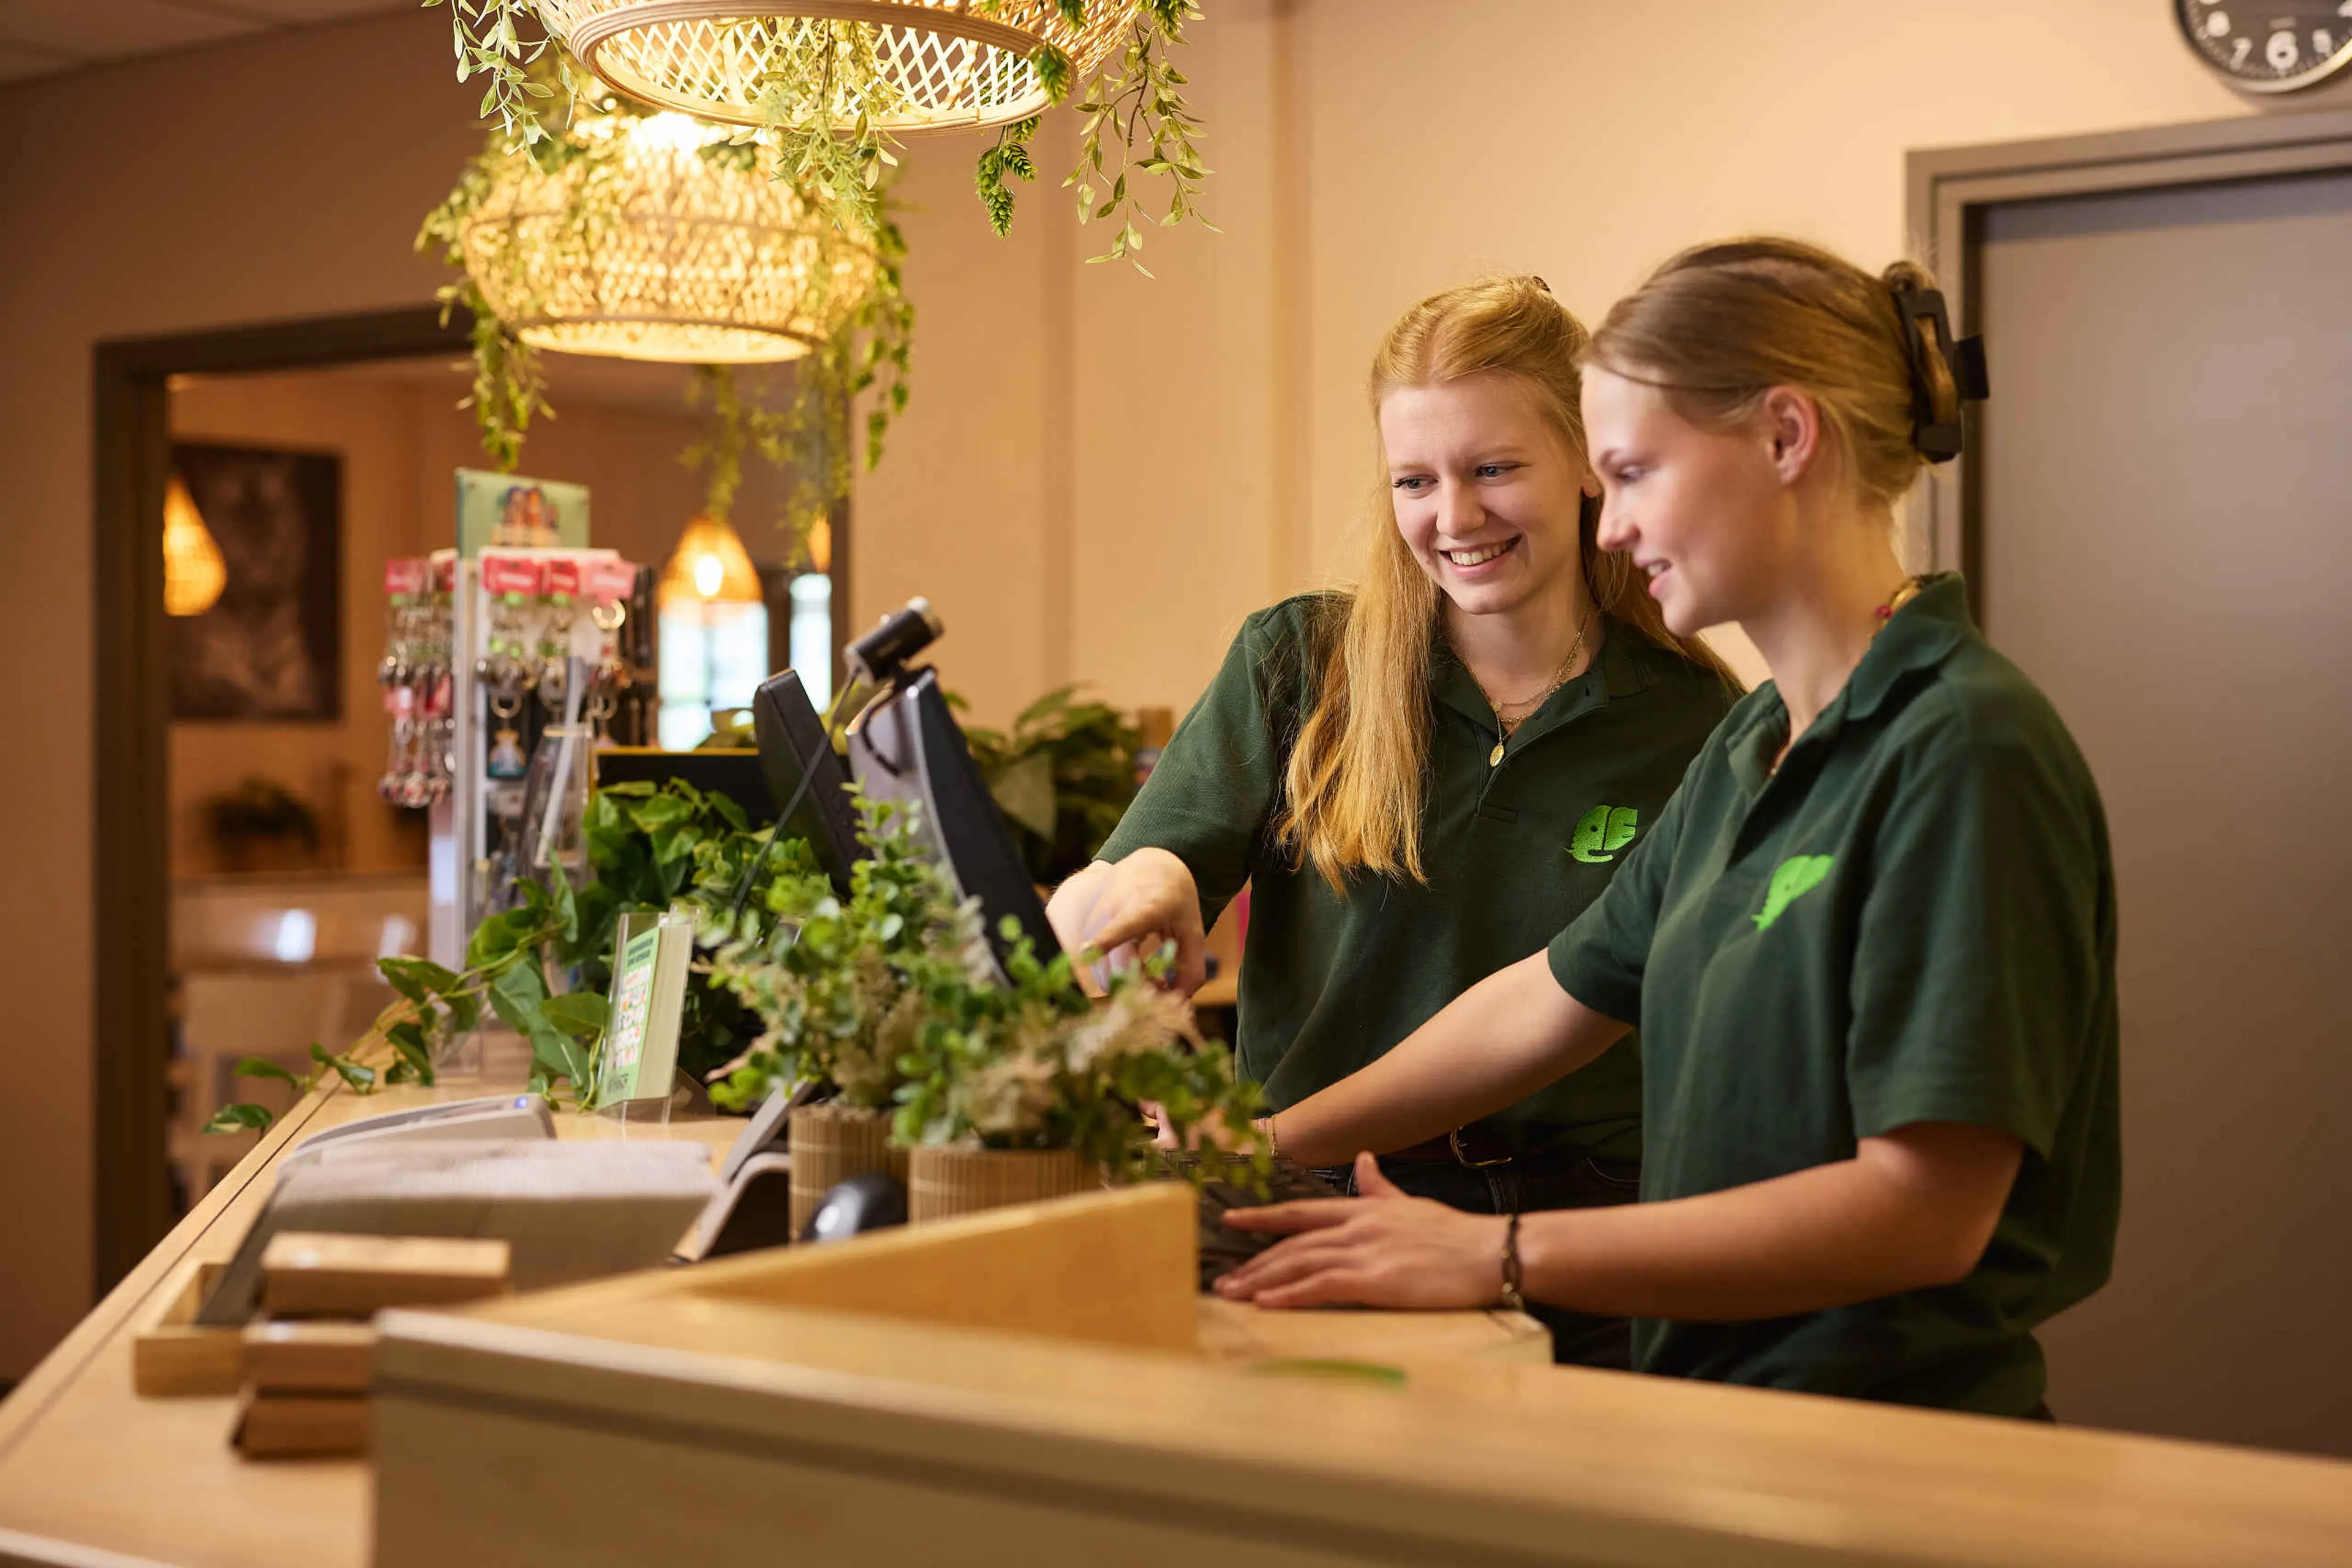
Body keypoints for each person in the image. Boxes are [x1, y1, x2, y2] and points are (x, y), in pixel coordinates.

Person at [1214, 238, 2119, 1420]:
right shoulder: (1755, 753)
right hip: (1723, 1417)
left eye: (1632, 473)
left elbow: (1926, 1213)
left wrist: (1495, 1255)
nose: (1606, 527)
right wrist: (1255, 1144)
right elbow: (1548, 999)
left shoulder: (1958, 747)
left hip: (1889, 1440)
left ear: (1786, 438)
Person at [1047, 276, 1740, 1370]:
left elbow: (1586, 1009)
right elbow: (1122, 876)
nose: (1453, 518)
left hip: (1577, 1217)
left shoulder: (1700, 723)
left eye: (1494, 468)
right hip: (1303, 1194)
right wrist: (1137, 893)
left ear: (1585, 465)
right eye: (1414, 480)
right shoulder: (1300, 662)